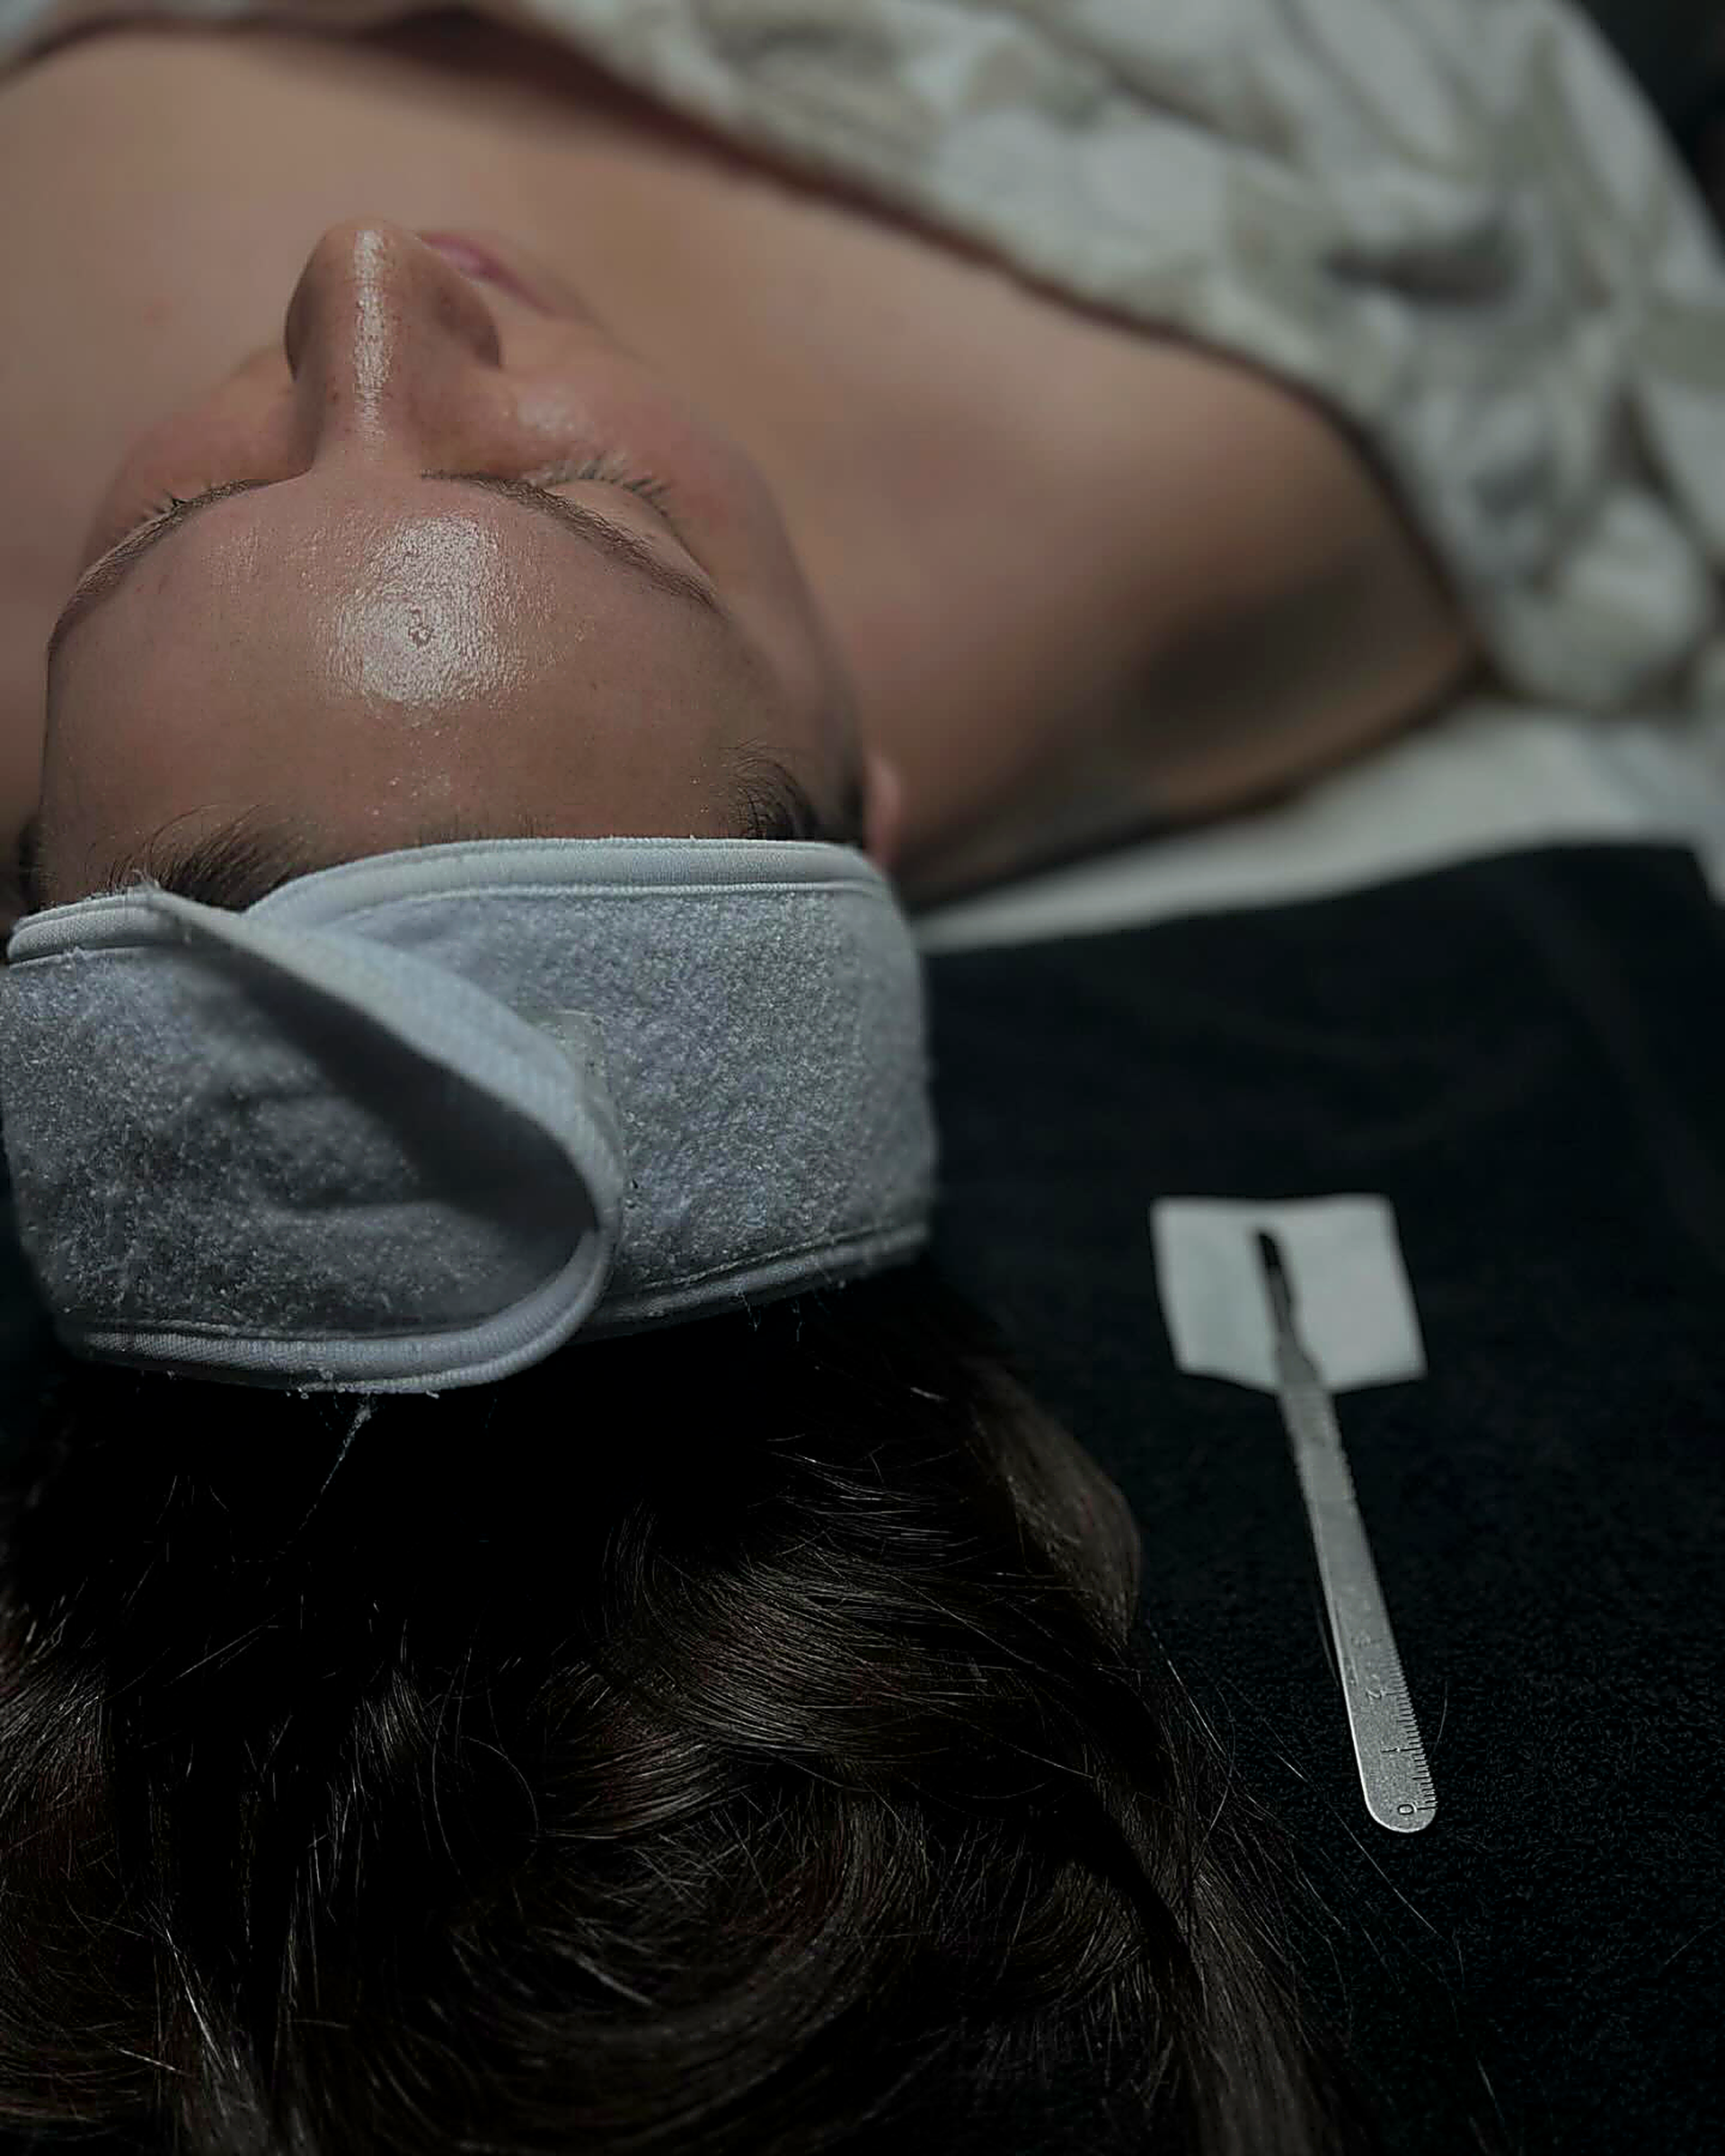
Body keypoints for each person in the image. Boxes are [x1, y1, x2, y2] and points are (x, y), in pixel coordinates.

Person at [0, 4, 1718, 2152]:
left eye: (152, 534)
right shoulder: (1214, 471)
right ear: (878, 800)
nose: (366, 285)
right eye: (593, 499)